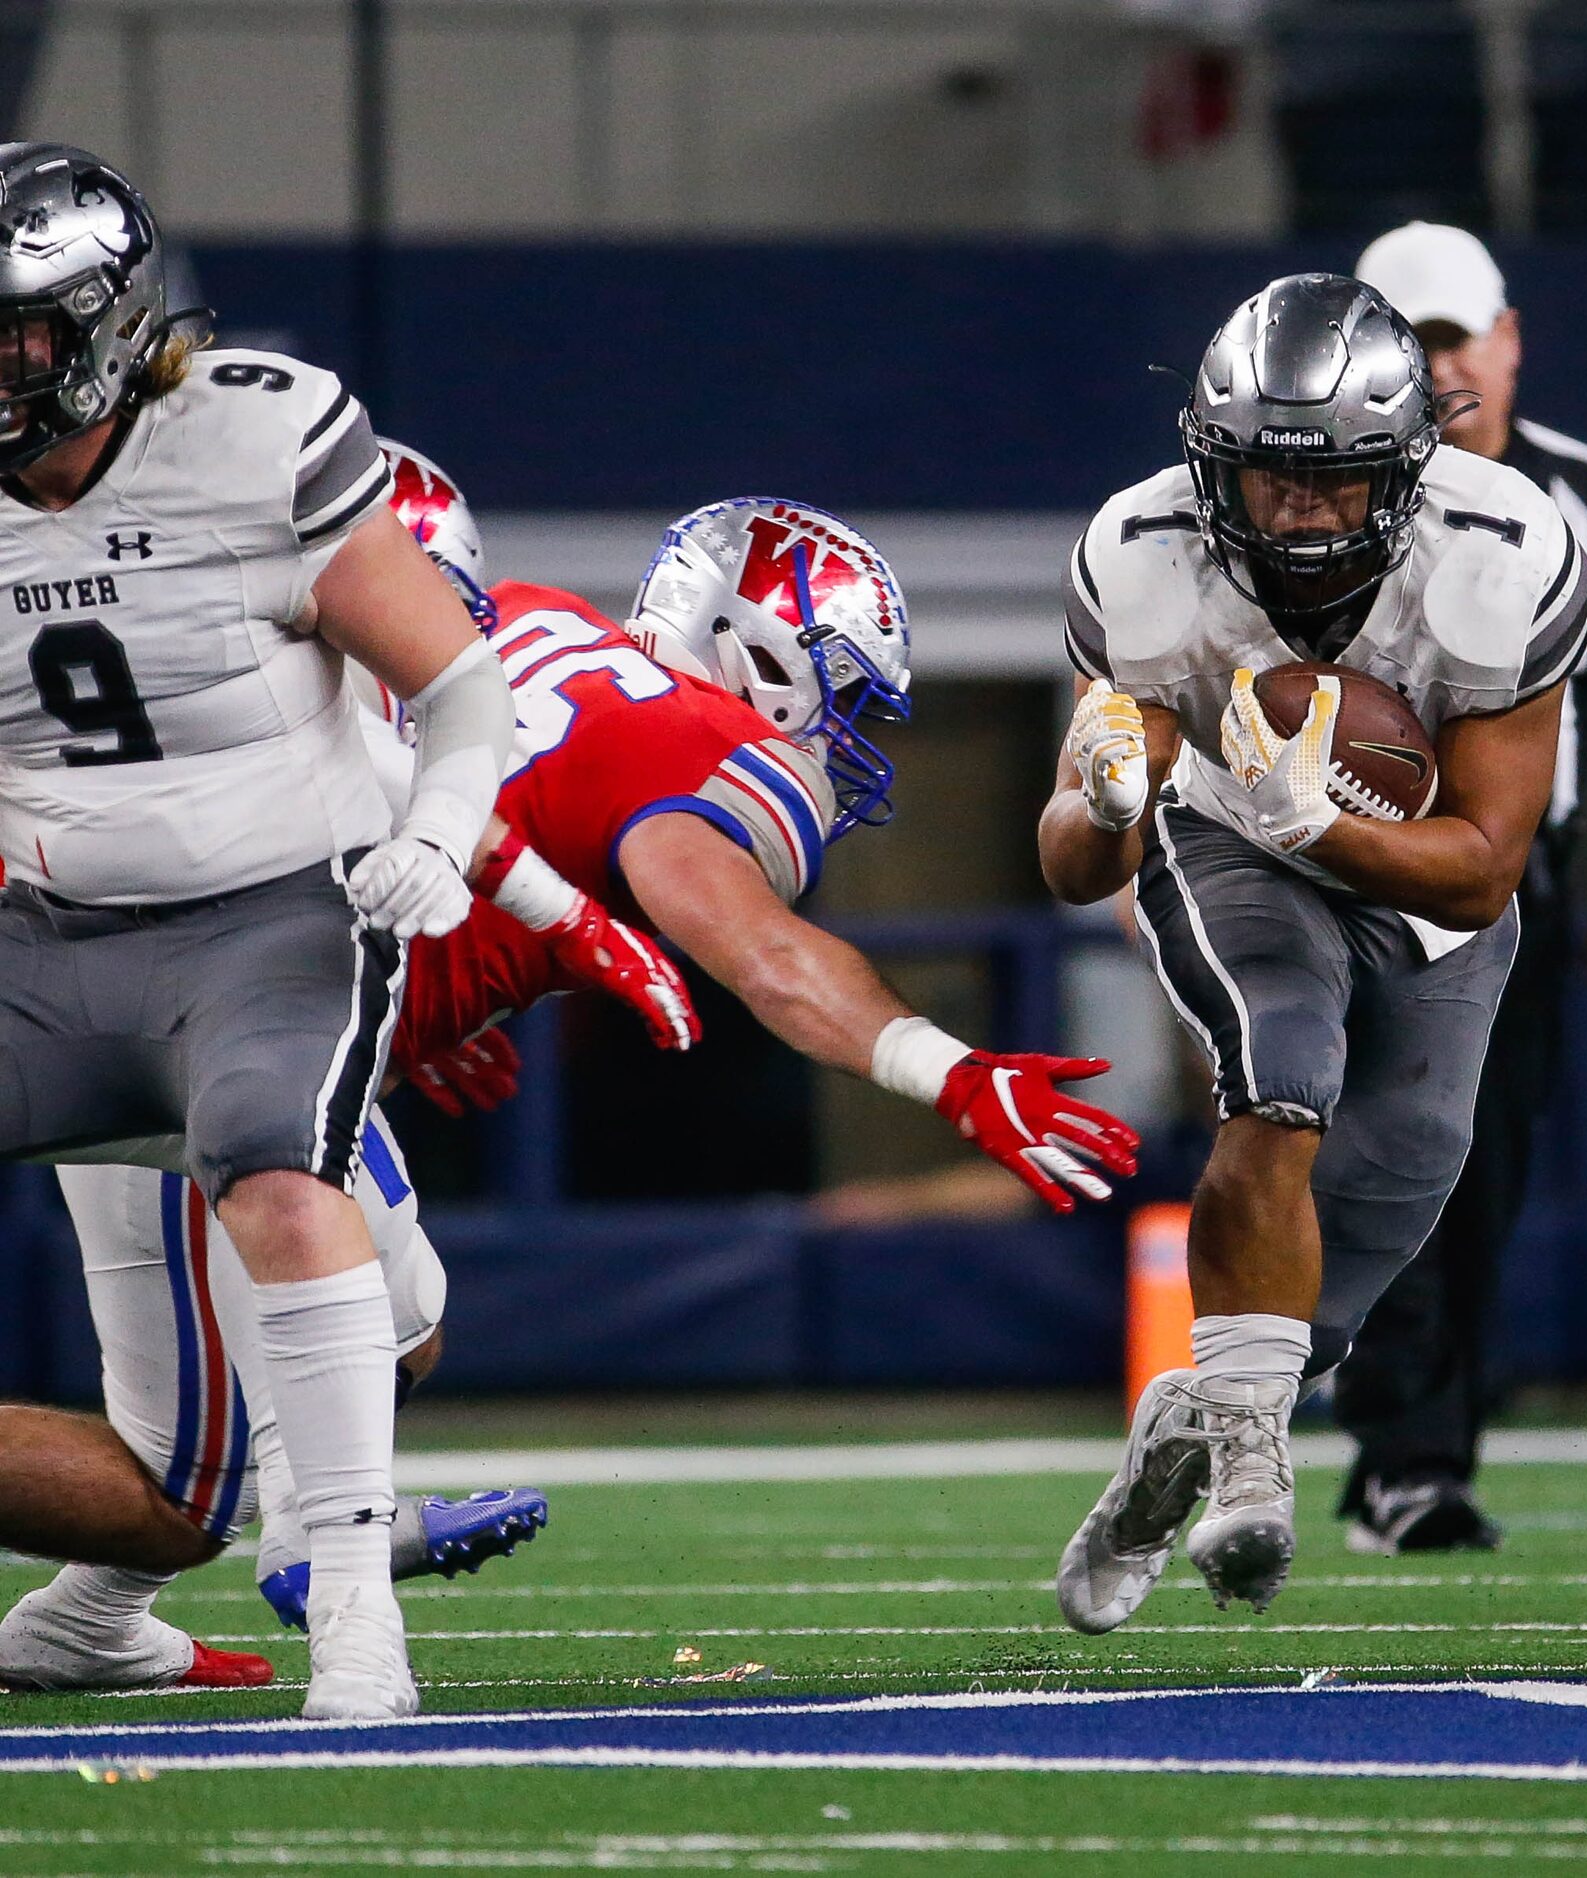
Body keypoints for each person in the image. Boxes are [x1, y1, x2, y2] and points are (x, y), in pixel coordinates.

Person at [2, 478, 1143, 1690]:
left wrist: (440, 974)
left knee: (352, 1355)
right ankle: (313, 1567)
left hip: (185, 961)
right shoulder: (703, 745)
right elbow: (762, 957)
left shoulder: (539, 619)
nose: (841, 737)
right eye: (837, 690)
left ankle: (136, 1603)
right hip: (202, 1015)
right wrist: (951, 1071)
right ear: (753, 651)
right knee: (237, 1450)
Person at [0, 145, 519, 1720]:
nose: (0, 361)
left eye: (19, 328)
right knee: (228, 1406)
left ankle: (356, 1615)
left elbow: (458, 678)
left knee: (281, 1178)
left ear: (101, 317)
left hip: (270, 910)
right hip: (51, 939)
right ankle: (132, 1601)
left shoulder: (251, 430)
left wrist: (439, 829)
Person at [1040, 273, 1587, 1631]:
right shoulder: (1145, 550)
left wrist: (1329, 826)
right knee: (1283, 1062)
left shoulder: (1501, 546)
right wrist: (1100, 797)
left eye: (1328, 480)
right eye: (1261, 476)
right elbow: (1069, 865)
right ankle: (1246, 1471)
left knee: (1410, 1163)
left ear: (1403, 466)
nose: (1290, 509)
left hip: (1421, 870)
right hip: (1226, 841)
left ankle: (1196, 1418)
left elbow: (1488, 857)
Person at [1329, 221, 1587, 1554]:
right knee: (1383, 1149)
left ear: (1509, 335)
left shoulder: (1576, 492)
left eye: (1453, 334)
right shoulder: (1317, 482)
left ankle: (1414, 1440)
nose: (1437, 365)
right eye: (1407, 338)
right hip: (1343, 867)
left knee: (1478, 1168)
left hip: (1508, 866)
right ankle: (1400, 1445)